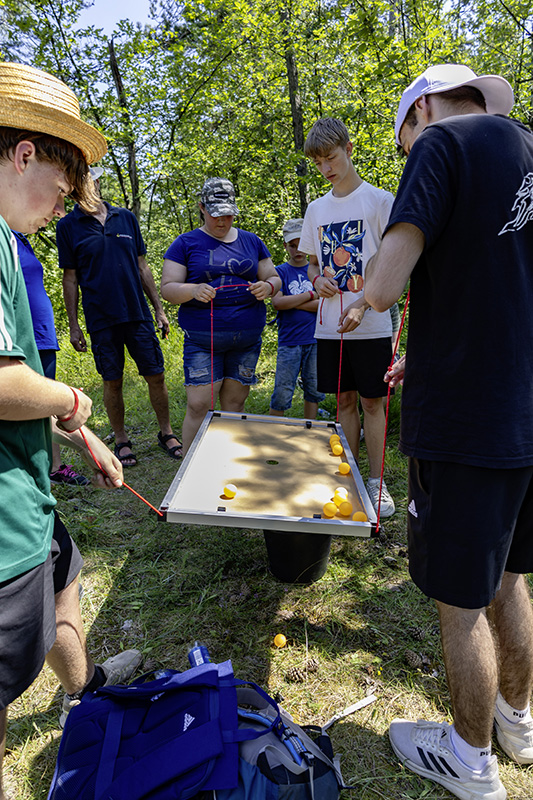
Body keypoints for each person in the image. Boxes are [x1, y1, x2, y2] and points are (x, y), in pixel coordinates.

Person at [364, 64, 532, 800]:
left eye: (403, 141)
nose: (407, 156)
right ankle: (517, 722)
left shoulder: (440, 144)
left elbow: (386, 281)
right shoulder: (524, 148)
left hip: (466, 421)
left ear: (421, 109)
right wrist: (425, 356)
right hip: (524, 410)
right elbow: (493, 286)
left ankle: (468, 759)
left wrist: (361, 290)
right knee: (509, 576)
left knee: (460, 602)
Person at [0, 62, 142, 799]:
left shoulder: (9, 240)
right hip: (0, 526)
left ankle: (84, 687)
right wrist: (71, 397)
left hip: (26, 496)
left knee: (68, 576)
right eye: (58, 188)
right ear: (26, 152)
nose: (60, 209)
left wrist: (77, 435)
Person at [299, 118, 396, 517]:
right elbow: (310, 264)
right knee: (342, 400)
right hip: (329, 326)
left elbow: (392, 263)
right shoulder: (316, 208)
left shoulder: (380, 201)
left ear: (349, 149)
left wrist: (363, 303)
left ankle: (377, 481)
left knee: (374, 402)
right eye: (319, 163)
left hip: (372, 323)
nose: (326, 169)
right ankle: (348, 476)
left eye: (332, 158)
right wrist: (319, 278)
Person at [56, 167, 181, 467]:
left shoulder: (125, 218)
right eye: (80, 182)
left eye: (90, 179)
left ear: (97, 182)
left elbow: (143, 266)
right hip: (100, 319)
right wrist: (74, 326)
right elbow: (70, 279)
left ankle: (166, 433)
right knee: (112, 382)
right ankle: (122, 439)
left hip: (137, 314)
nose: (87, 185)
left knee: (157, 375)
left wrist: (159, 309)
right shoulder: (68, 226)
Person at [161, 177, 281, 454]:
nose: (222, 221)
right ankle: (189, 468)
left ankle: (227, 460)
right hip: (203, 340)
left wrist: (268, 286)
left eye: (228, 215)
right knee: (199, 405)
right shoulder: (185, 243)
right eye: (216, 215)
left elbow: (274, 277)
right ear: (202, 208)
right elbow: (168, 289)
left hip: (247, 339)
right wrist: (193, 290)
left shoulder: (252, 241)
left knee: (235, 404)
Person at [15, 230, 89, 486]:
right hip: (20, 338)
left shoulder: (21, 237)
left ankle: (55, 466)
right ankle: (28, 471)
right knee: (28, 404)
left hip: (42, 336)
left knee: (45, 402)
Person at [268, 218, 325, 419]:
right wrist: (310, 295)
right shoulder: (279, 271)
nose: (298, 250)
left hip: (316, 339)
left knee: (314, 388)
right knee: (282, 390)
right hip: (289, 341)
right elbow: (277, 303)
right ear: (285, 246)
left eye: (302, 245)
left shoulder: (318, 271)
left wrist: (291, 301)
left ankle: (310, 428)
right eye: (292, 245)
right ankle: (274, 433)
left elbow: (324, 306)